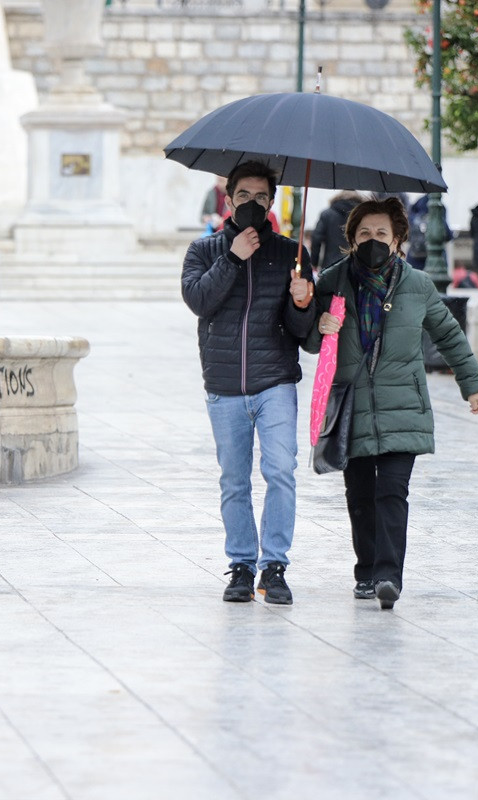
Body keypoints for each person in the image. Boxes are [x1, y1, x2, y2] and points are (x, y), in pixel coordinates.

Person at [306, 198, 478, 610]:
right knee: (359, 494)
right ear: (351, 239)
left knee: (391, 491)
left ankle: (388, 575)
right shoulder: (332, 282)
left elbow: (449, 335)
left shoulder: (417, 285)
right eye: (365, 233)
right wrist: (318, 322)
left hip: (402, 404)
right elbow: (308, 340)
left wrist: (471, 383)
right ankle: (366, 570)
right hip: (350, 406)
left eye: (381, 234)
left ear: (398, 239)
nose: (373, 240)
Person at [181, 160, 316, 605]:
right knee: (234, 481)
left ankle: (273, 566)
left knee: (280, 471)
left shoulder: (290, 254)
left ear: (271, 202)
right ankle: (240, 565)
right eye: (244, 197)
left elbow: (306, 335)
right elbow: (200, 301)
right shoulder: (203, 251)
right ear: (228, 199)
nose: (253, 204)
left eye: (262, 198)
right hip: (223, 386)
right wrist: (234, 256)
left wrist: (302, 303)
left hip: (274, 381)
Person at [310, 190, 364, 271]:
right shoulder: (363, 216)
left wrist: (314, 262)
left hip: (330, 265)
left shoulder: (327, 214)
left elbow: (316, 239)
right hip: (356, 266)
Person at [405, 194, 454, 271]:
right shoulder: (439, 208)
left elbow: (407, 235)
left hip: (414, 258)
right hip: (436, 259)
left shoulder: (414, 210)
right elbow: (448, 235)